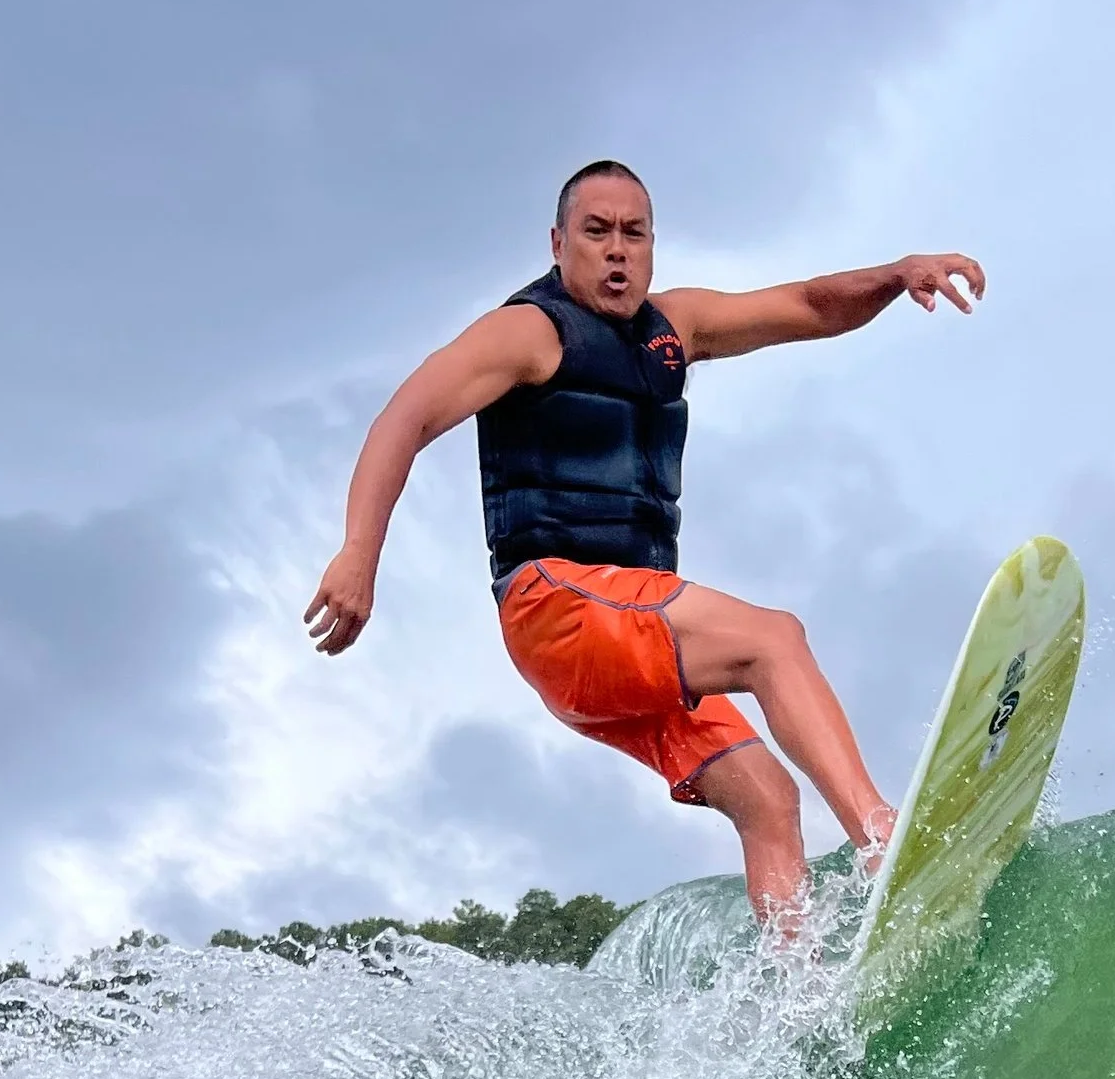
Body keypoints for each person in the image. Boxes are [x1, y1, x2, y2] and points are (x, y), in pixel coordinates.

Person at [304, 160, 985, 927]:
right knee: (772, 640)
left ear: (654, 244)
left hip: (629, 643)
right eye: (596, 232)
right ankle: (880, 840)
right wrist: (359, 553)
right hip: (556, 606)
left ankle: (794, 991)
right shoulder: (529, 331)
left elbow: (805, 305)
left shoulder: (675, 327)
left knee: (766, 795)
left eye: (633, 233)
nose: (617, 250)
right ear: (560, 243)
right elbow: (406, 417)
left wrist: (896, 276)